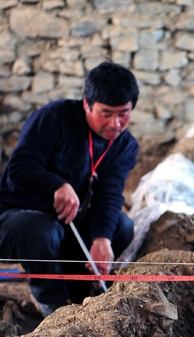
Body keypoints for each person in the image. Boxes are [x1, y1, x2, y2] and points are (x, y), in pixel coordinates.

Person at [0, 61, 139, 317]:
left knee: (121, 226)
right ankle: (51, 306)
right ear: (87, 103)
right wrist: (56, 185)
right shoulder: (55, 118)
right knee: (41, 227)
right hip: (13, 220)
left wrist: (102, 240)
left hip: (64, 226)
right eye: (106, 113)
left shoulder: (125, 146)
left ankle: (79, 298)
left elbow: (109, 193)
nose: (116, 123)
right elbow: (19, 167)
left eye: (124, 114)